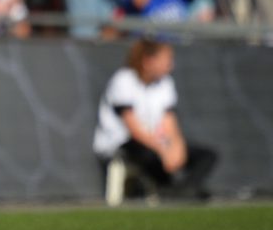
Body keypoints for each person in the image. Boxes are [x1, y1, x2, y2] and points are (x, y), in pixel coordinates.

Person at [93, 39, 217, 200]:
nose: (171, 65)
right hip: (123, 143)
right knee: (148, 155)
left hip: (155, 143)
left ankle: (183, 190)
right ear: (148, 61)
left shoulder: (165, 83)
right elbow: (134, 130)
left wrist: (176, 148)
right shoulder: (124, 80)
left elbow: (169, 121)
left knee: (207, 156)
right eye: (166, 60)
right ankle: (169, 190)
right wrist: (163, 150)